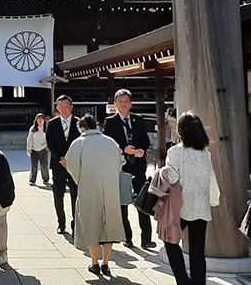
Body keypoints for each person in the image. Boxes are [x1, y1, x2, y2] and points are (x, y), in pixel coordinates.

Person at [162, 111, 220, 285]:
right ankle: (198, 282)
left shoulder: (175, 152)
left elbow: (171, 177)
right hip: (201, 205)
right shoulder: (205, 153)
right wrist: (213, 200)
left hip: (180, 206)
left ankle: (183, 280)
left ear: (181, 131)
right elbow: (211, 179)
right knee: (197, 249)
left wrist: (162, 172)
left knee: (170, 241)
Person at [65, 114, 125, 276]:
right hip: (110, 187)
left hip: (89, 187)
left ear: (81, 128)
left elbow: (72, 165)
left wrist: (80, 180)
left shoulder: (79, 143)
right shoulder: (110, 142)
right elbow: (120, 161)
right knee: (108, 224)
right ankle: (106, 262)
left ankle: (94, 262)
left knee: (91, 222)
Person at [103, 89, 155, 249]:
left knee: (142, 201)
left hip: (139, 166)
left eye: (126, 101)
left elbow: (145, 140)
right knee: (123, 203)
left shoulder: (138, 120)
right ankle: (127, 237)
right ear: (116, 104)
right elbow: (107, 143)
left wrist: (141, 150)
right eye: (120, 101)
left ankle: (146, 238)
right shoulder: (110, 122)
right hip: (122, 166)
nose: (124, 104)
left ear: (131, 103)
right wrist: (124, 149)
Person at [46, 95, 81, 234]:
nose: (64, 109)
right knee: (58, 194)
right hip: (58, 164)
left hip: (75, 165)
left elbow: (80, 143)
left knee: (75, 195)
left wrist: (71, 158)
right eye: (61, 106)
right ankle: (61, 223)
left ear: (71, 107)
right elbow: (50, 143)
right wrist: (62, 158)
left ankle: (75, 223)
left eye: (66, 106)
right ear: (57, 108)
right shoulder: (52, 123)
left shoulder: (79, 123)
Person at [27, 113, 49, 186]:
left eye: (41, 119)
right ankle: (32, 180)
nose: (40, 120)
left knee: (44, 165)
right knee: (34, 166)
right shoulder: (33, 129)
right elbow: (29, 139)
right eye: (38, 119)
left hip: (44, 149)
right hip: (34, 149)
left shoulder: (47, 128)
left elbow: (49, 138)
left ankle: (45, 179)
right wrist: (29, 148)